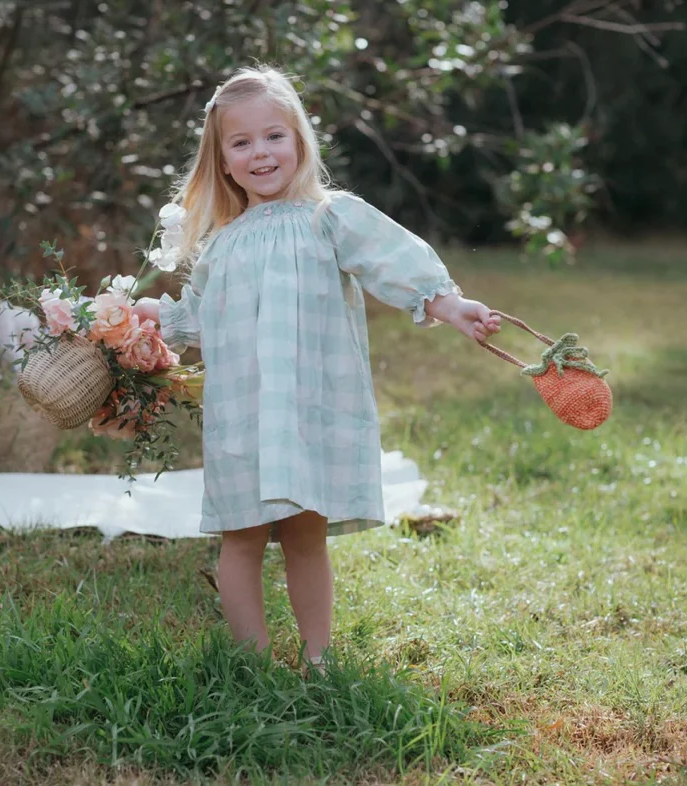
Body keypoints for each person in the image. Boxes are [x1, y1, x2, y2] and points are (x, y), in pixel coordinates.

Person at [133, 66, 501, 673]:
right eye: (242, 142)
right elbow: (196, 321)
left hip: (308, 408)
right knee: (242, 536)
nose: (261, 153)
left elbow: (394, 262)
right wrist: (152, 318)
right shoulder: (221, 245)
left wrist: (449, 304)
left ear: (300, 141)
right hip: (244, 417)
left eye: (274, 136)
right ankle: (250, 664)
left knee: (305, 536)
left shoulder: (329, 218)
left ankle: (318, 658)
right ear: (223, 160)